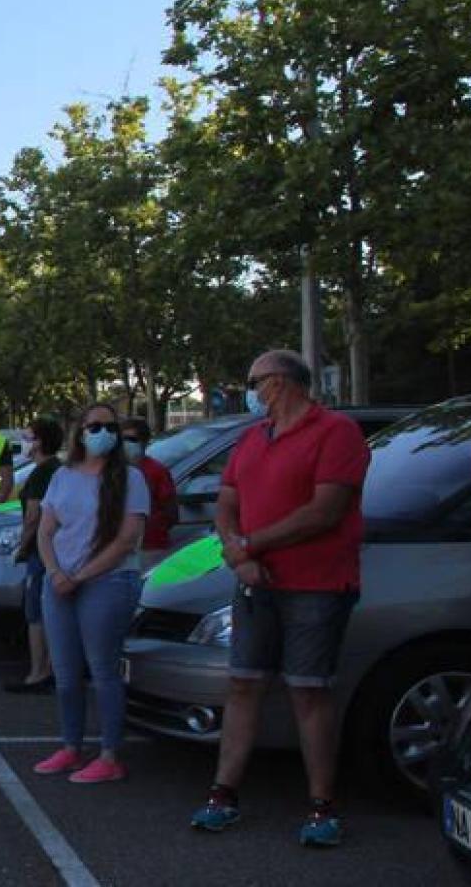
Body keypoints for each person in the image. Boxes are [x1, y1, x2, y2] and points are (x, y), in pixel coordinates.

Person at [191, 350, 370, 848]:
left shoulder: (337, 433)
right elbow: (227, 504)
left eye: (253, 382)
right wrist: (237, 552)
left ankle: (321, 804)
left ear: (280, 382)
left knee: (308, 691)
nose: (248, 392)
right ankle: (223, 794)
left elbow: (324, 511)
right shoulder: (252, 438)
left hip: (315, 585)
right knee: (244, 685)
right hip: (255, 583)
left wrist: (253, 544)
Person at [32, 404, 149, 785]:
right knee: (65, 675)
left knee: (103, 670)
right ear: (80, 431)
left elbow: (126, 540)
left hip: (106, 582)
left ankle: (110, 754)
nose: (103, 433)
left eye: (110, 427)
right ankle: (71, 746)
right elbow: (45, 530)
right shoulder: (63, 476)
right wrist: (54, 572)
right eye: (94, 426)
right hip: (60, 582)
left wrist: (79, 576)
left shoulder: (130, 479)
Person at [5, 417, 65, 695]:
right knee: (51, 612)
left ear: (41, 441)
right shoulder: (57, 469)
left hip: (41, 552)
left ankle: (38, 673)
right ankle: (52, 669)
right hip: (54, 550)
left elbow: (33, 515)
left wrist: (23, 546)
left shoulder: (43, 472)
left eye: (30, 437)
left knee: (36, 614)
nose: (26, 441)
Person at [121, 417, 180, 555]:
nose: (125, 444)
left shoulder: (157, 471)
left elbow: (171, 513)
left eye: (131, 439)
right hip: (119, 550)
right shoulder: (111, 471)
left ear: (144, 442)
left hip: (151, 549)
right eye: (122, 439)